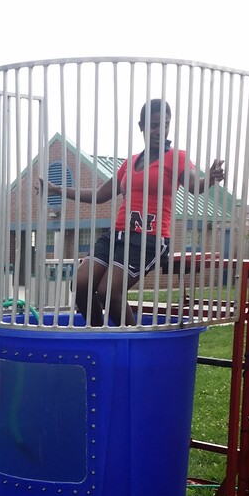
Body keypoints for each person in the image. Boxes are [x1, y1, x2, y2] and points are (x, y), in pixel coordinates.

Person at [43, 99, 225, 326]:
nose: (160, 131)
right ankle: (99, 336)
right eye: (154, 125)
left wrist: (209, 178)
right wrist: (57, 190)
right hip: (117, 235)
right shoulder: (129, 163)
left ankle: (131, 344)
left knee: (108, 291)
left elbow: (194, 185)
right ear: (142, 126)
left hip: (148, 239)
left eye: (165, 124)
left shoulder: (176, 158)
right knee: (80, 283)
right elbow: (100, 195)